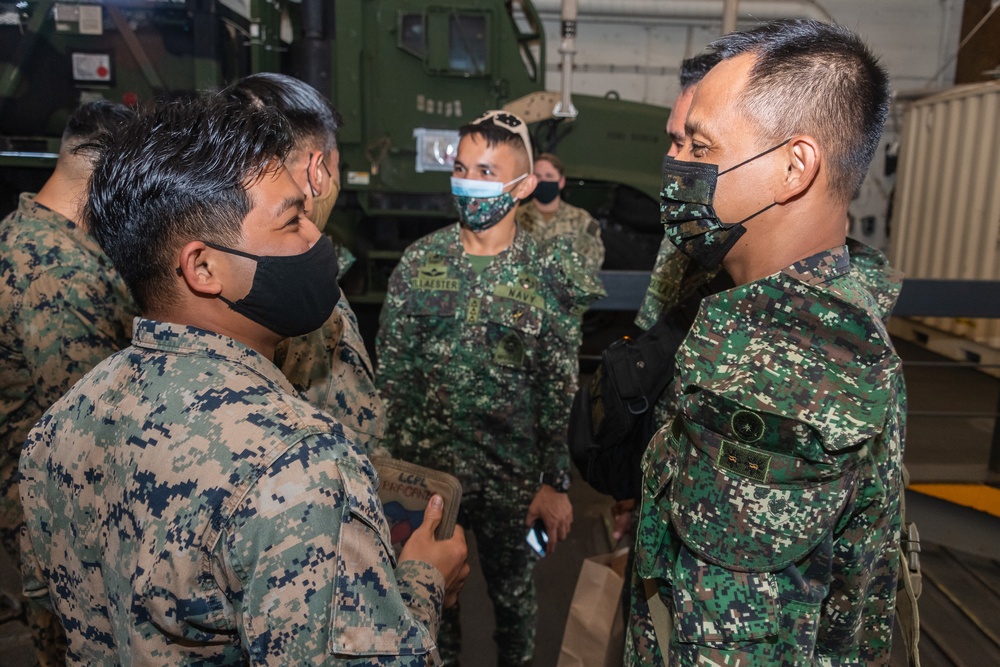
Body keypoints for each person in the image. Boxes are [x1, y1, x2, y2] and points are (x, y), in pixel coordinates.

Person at [19, 94, 469, 665]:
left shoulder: (62, 426)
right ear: (203, 268)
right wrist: (424, 585)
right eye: (292, 220)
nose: (316, 239)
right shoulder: (298, 465)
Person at [626, 19, 904, 666]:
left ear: (792, 167)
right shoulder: (752, 308)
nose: (677, 168)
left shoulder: (792, 373)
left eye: (701, 147)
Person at [377, 110, 593, 666]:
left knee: (514, 607)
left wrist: (554, 484)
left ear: (522, 186)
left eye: (487, 171)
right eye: (461, 167)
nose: (469, 181)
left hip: (512, 483)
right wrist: (388, 474)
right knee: (430, 609)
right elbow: (393, 376)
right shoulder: (419, 262)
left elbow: (557, 390)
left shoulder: (548, 275)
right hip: (427, 479)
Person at [0, 100, 138, 666]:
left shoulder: (27, 231)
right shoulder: (59, 271)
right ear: (108, 176)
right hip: (62, 519)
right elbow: (89, 424)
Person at [223, 73, 386, 455]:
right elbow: (352, 436)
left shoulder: (217, 257)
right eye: (335, 169)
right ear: (317, 170)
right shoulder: (301, 283)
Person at [515, 152, 605, 278]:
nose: (543, 181)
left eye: (549, 176)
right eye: (538, 176)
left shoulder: (580, 219)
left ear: (561, 181)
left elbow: (594, 259)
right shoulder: (515, 217)